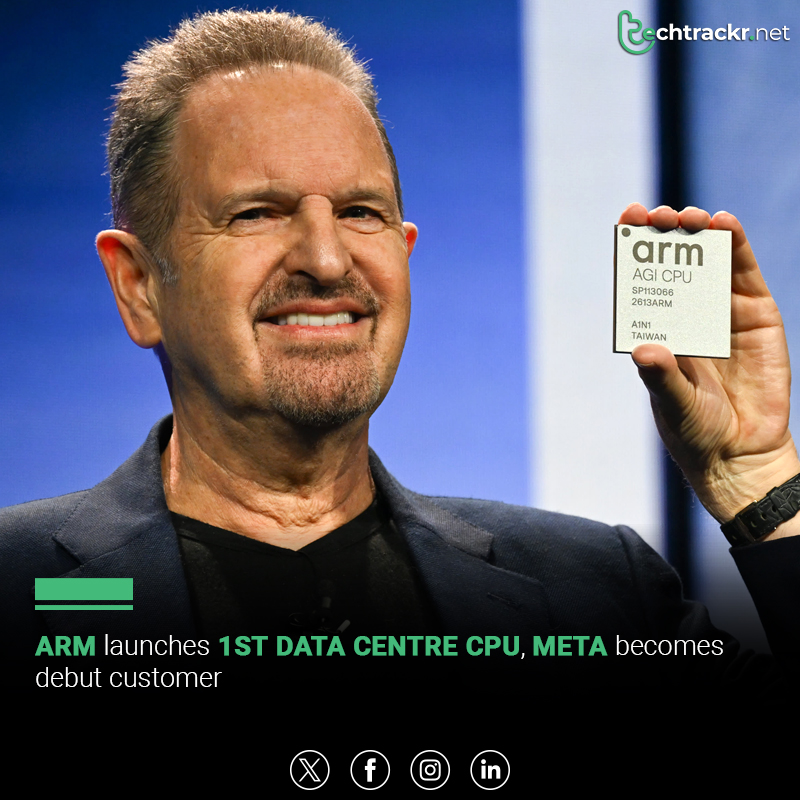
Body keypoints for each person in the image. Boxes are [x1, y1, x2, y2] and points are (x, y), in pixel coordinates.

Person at [2, 9, 799, 697]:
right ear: (139, 286)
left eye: (361, 212)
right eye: (256, 213)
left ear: (404, 252)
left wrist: (759, 481)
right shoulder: (23, 589)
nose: (326, 260)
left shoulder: (592, 592)